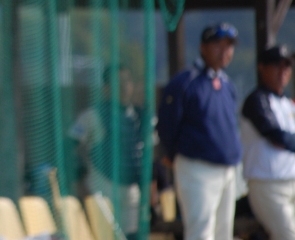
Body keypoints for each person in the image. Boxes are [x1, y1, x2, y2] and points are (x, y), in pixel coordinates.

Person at [157, 22, 242, 240]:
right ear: (203, 48)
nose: (224, 51)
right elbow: (167, 124)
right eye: (218, 45)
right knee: (201, 233)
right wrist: (173, 153)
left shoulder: (227, 84)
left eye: (229, 46)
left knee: (223, 234)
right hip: (197, 168)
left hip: (227, 170)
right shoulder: (186, 81)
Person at [69, 67, 144, 240]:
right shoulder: (92, 116)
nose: (124, 87)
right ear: (106, 88)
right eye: (118, 83)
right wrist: (79, 180)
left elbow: (149, 157)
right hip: (102, 189)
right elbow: (69, 148)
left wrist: (152, 189)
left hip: (131, 193)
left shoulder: (140, 117)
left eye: (127, 82)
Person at [240, 44, 295, 239]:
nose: (283, 71)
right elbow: (275, 135)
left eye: (287, 66)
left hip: (291, 180)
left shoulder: (287, 103)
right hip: (268, 183)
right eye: (276, 65)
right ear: (262, 67)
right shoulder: (257, 100)